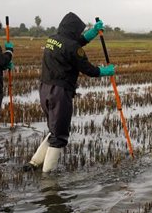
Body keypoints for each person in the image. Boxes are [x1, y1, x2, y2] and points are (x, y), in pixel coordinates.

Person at [24, 12, 114, 173]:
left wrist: (91, 34)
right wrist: (104, 71)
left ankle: (34, 162)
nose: (79, 34)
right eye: (79, 31)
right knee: (60, 135)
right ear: (73, 30)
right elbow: (87, 68)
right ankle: (48, 178)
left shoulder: (53, 39)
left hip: (44, 89)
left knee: (55, 129)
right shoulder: (73, 47)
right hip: (59, 92)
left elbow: (71, 45)